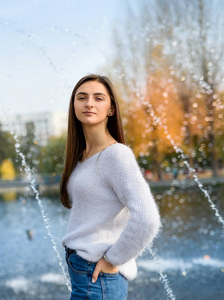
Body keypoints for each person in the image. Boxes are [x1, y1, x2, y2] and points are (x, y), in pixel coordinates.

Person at [60, 74, 161, 299]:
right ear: (73, 105)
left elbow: (147, 218)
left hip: (97, 276)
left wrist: (113, 259)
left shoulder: (116, 155)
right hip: (82, 272)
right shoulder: (82, 157)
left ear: (111, 109)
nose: (89, 103)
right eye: (82, 97)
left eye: (98, 98)